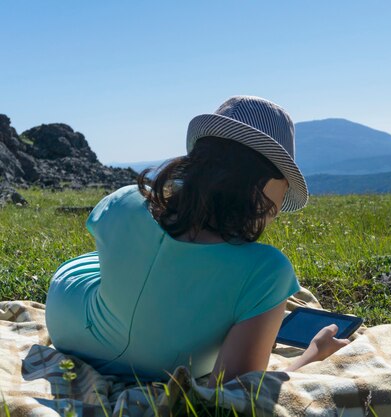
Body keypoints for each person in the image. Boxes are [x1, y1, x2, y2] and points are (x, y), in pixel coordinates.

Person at [45, 96, 350, 385]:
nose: (281, 206)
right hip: (152, 364)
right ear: (267, 181)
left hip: (65, 320)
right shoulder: (268, 269)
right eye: (284, 186)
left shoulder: (124, 200)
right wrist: (314, 354)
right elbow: (237, 389)